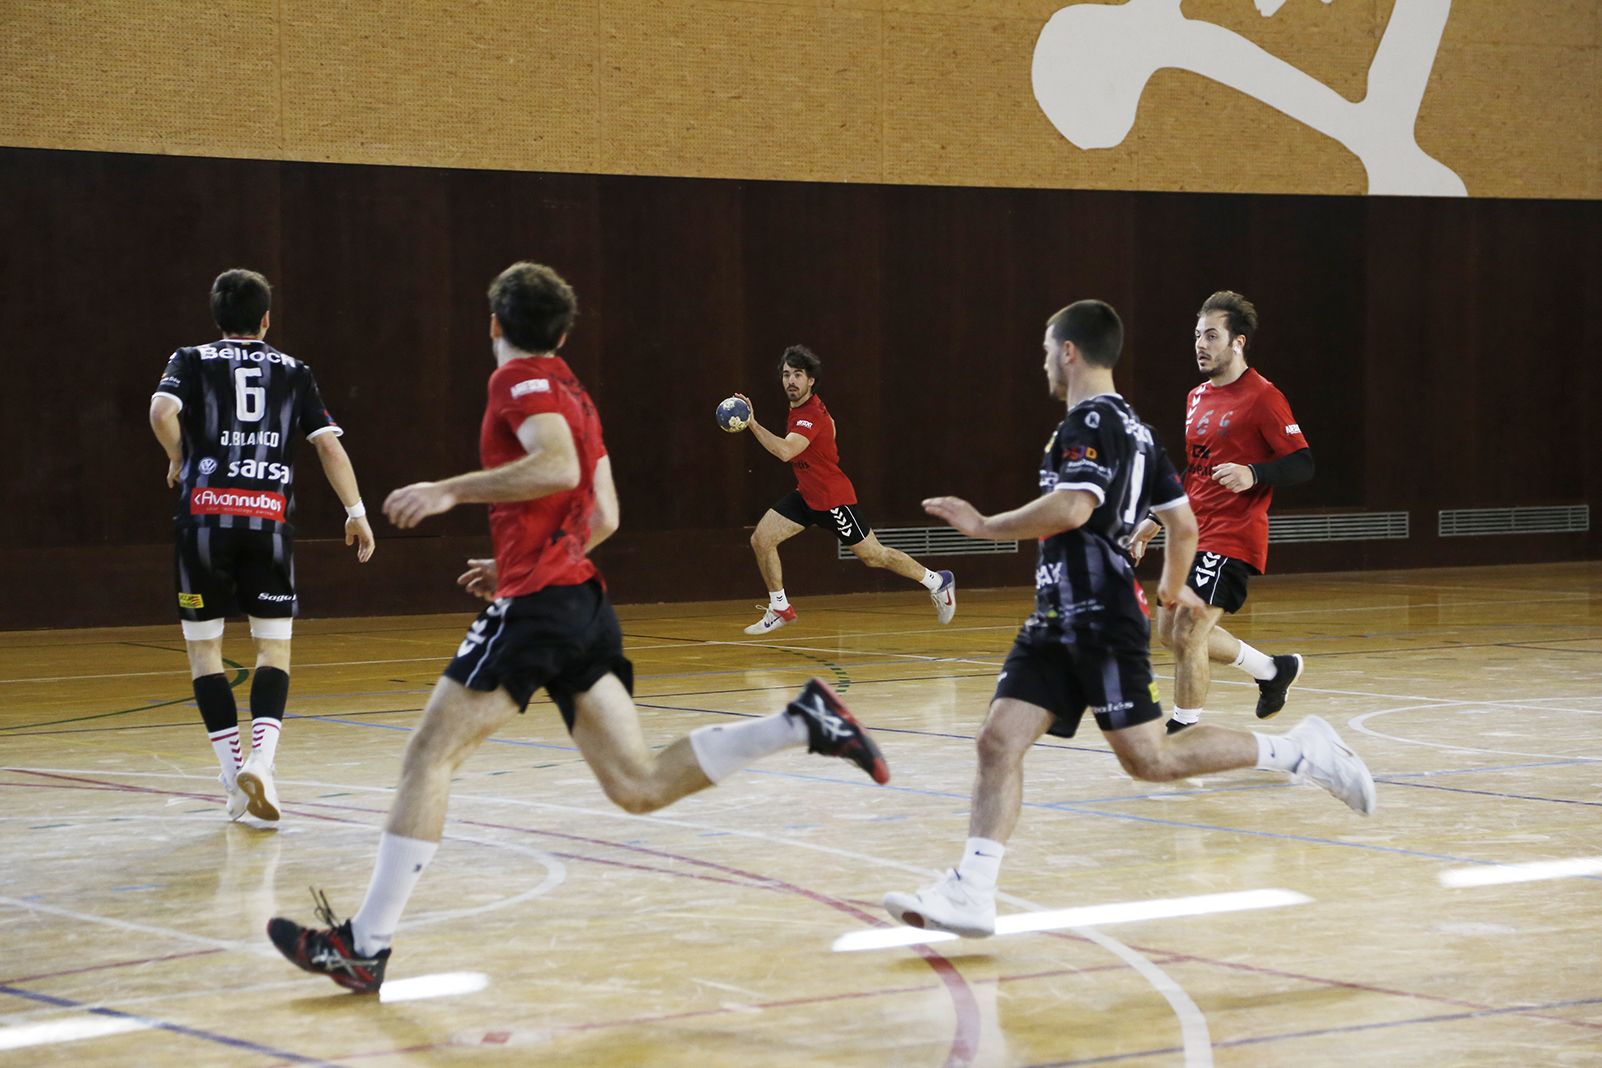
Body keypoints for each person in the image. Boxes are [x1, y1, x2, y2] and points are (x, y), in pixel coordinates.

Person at [267, 263, 890, 993]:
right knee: (638, 783)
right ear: (563, 334)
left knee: (428, 757)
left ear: (494, 324)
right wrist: (517, 558)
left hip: (540, 607)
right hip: (577, 599)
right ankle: (801, 722)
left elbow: (559, 468)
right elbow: (605, 514)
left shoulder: (519, 379)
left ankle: (365, 946)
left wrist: (448, 491)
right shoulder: (574, 391)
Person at [882, 300, 1374, 939]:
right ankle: (972, 891)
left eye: (1046, 351)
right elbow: (1182, 521)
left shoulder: (1089, 421)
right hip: (1056, 615)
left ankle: (1301, 751)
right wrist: (1171, 587)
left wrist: (984, 525)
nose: (1043, 364)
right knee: (998, 741)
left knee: (1150, 760)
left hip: (1099, 616)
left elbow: (1073, 507)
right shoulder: (1140, 430)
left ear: (1068, 352)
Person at [149, 269, 375, 824]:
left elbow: (161, 412)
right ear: (266, 319)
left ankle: (233, 777)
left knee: (205, 651)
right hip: (267, 523)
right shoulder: (295, 371)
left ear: (216, 316)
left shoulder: (190, 359)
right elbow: (328, 446)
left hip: (203, 523)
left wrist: (179, 457)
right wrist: (356, 512)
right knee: (273, 649)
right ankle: (262, 763)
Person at [1129, 291, 1314, 733]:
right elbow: (1195, 471)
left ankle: (1184, 729)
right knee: (1169, 634)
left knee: (1190, 631)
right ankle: (1272, 670)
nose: (1201, 344)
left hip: (1234, 532)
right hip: (1192, 531)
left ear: (1238, 342)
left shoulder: (1264, 397)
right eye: (1197, 335)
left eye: (1212, 335)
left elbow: (1303, 463)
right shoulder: (1196, 397)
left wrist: (1254, 473)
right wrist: (1155, 520)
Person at [731, 345, 956, 635]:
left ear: (811, 380)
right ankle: (780, 608)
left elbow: (786, 451)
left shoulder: (810, 414)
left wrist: (752, 424)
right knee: (761, 539)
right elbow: (832, 427)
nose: (791, 381)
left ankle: (938, 581)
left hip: (833, 501)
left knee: (874, 556)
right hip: (807, 496)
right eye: (786, 374)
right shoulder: (803, 409)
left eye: (798, 375)